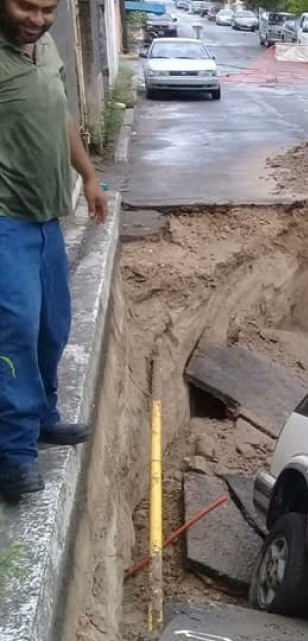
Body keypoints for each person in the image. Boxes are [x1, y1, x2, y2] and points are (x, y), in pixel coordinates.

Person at [0, 0, 109, 499]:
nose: (38, 19)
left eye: (47, 9)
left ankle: (44, 415)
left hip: (47, 218)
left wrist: (88, 176)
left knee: (52, 327)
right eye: (25, 6)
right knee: (15, 334)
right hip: (7, 222)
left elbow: (59, 114)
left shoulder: (44, 49)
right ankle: (14, 453)